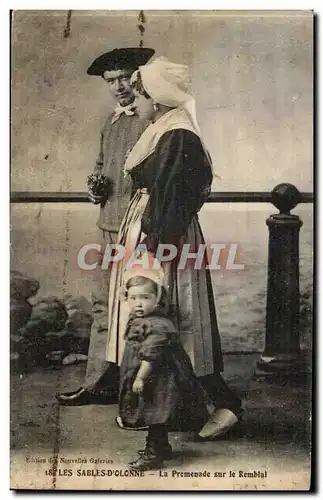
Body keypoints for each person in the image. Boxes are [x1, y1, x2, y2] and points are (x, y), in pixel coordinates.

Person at [106, 56, 243, 440]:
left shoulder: (177, 133)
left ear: (158, 97)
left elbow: (174, 197)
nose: (139, 99)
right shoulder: (164, 127)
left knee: (177, 317)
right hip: (152, 225)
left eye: (143, 92)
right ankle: (174, 408)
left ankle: (226, 404)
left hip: (165, 233)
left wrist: (154, 250)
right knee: (164, 319)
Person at [56, 47, 155, 406]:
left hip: (139, 228)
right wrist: (95, 184)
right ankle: (98, 382)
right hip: (108, 226)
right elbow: (102, 166)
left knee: (140, 303)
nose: (118, 86)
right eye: (110, 81)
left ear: (138, 78)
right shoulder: (110, 122)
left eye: (124, 78)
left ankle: (139, 389)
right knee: (103, 304)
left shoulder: (149, 120)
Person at [119, 265, 209, 471]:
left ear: (157, 298)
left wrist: (140, 377)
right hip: (150, 374)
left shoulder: (159, 325)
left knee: (154, 412)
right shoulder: (140, 319)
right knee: (153, 410)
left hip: (158, 377)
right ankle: (162, 445)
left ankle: (154, 452)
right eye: (133, 298)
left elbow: (152, 355)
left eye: (145, 297)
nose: (138, 303)